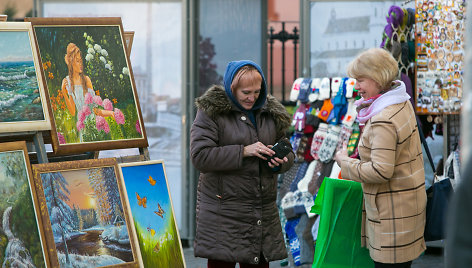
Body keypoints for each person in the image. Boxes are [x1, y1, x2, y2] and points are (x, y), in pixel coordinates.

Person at [190, 60, 295, 268]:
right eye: (246, 92)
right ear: (232, 88)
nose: (252, 97)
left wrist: (279, 162)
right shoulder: (211, 112)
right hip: (223, 213)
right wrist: (244, 151)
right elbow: (200, 156)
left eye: (257, 91)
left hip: (260, 212)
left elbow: (288, 150)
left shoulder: (270, 113)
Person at [334, 48, 426, 268]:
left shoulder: (383, 119)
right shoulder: (401, 102)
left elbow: (380, 171)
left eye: (361, 80)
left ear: (378, 78)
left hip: (392, 216)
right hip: (406, 208)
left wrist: (345, 162)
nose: (357, 86)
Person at [61, 42, 113, 141]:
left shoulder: (87, 80)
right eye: (77, 61)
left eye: (81, 61)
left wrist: (110, 113)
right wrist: (63, 92)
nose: (80, 64)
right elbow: (72, 112)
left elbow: (94, 109)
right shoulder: (68, 81)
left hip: (94, 124)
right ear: (71, 63)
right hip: (83, 128)